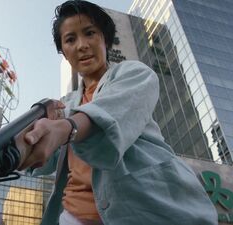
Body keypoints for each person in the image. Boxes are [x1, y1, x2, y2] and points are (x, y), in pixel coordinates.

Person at [17, 1, 218, 224]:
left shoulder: (134, 73)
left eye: (90, 33)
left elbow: (108, 113)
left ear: (105, 39)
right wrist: (24, 144)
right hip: (73, 216)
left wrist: (66, 127)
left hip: (146, 211)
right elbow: (43, 158)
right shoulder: (65, 105)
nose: (82, 45)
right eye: (70, 39)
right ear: (64, 53)